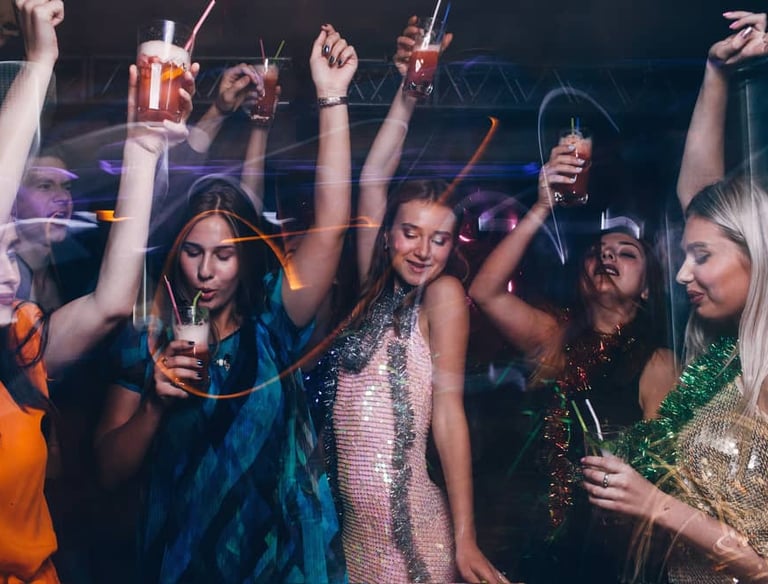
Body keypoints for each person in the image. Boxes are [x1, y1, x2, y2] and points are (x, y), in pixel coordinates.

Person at [94, 24, 356, 583]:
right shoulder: (146, 334)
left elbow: (333, 228)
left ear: (246, 261)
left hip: (275, 563)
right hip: (178, 563)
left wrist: (332, 97)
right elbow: (108, 472)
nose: (207, 271)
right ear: (175, 254)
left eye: (225, 256)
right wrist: (154, 407)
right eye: (192, 252)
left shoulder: (272, 321)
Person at [0, 1, 194, 581]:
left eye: (11, 252)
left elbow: (112, 302)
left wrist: (144, 147)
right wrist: (39, 64)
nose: (10, 271)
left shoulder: (21, 346)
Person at [320, 19, 508, 584]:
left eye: (441, 239)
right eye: (410, 233)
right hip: (352, 542)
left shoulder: (442, 298)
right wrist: (406, 92)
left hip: (414, 540)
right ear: (386, 235)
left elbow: (450, 416)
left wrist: (466, 539)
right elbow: (373, 177)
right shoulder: (366, 292)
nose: (424, 251)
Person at [582, 12, 768, 583]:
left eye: (703, 257)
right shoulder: (723, 355)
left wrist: (655, 504)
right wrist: (715, 73)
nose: (683, 273)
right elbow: (701, 200)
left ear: (757, 255)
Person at [468, 145, 678, 582]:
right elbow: (485, 291)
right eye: (598, 250)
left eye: (627, 253)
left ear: (646, 290)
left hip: (603, 548)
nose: (607, 257)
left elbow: (662, 474)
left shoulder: (656, 361)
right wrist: (543, 206)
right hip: (529, 537)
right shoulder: (554, 337)